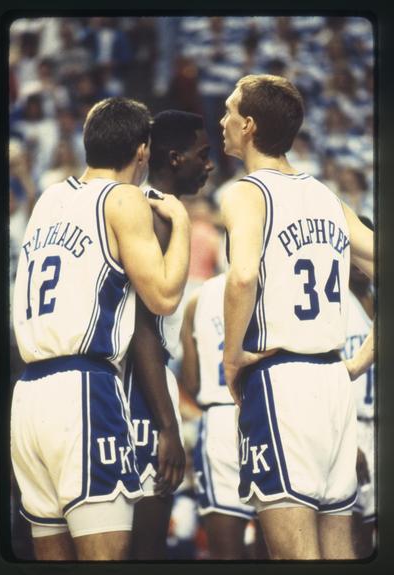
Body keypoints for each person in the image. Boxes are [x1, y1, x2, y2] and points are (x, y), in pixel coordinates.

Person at [10, 97, 191, 561]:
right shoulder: (122, 198)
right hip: (83, 390)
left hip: (28, 394)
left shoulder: (48, 197)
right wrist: (183, 225)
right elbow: (165, 297)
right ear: (143, 150)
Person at [219, 74, 374, 560]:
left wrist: (230, 357)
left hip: (280, 380)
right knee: (339, 548)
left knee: (294, 557)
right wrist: (362, 359)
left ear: (247, 126)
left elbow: (242, 276)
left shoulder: (246, 192)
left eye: (228, 111)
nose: (221, 120)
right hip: (333, 382)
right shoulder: (327, 197)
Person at [125, 110, 214, 559]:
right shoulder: (155, 213)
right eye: (203, 154)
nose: (210, 164)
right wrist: (168, 426)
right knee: (145, 547)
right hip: (139, 395)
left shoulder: (149, 206)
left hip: (135, 387)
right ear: (175, 158)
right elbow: (144, 329)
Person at [181, 272, 267, 560]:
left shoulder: (197, 298)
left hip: (218, 419)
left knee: (225, 553)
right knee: (276, 545)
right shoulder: (273, 281)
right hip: (267, 415)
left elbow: (191, 381)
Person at [340, 215, 376, 558]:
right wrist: (349, 441)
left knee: (370, 538)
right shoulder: (334, 306)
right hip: (347, 428)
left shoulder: (379, 302)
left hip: (377, 428)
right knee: (349, 534)